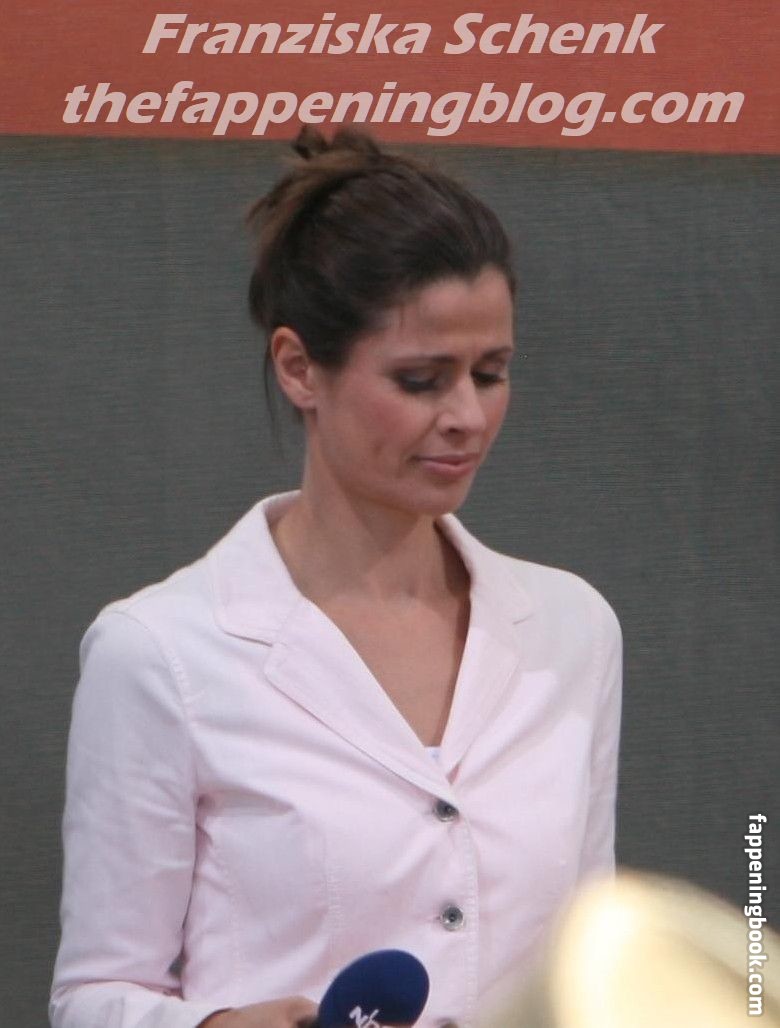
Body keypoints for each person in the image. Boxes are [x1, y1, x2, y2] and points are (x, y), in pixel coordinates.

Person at [49, 126, 623, 1028]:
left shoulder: (572, 629)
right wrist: (215, 1026)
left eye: (491, 373)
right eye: (421, 379)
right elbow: (93, 995)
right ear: (299, 369)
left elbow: (589, 965)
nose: (468, 416)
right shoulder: (161, 652)